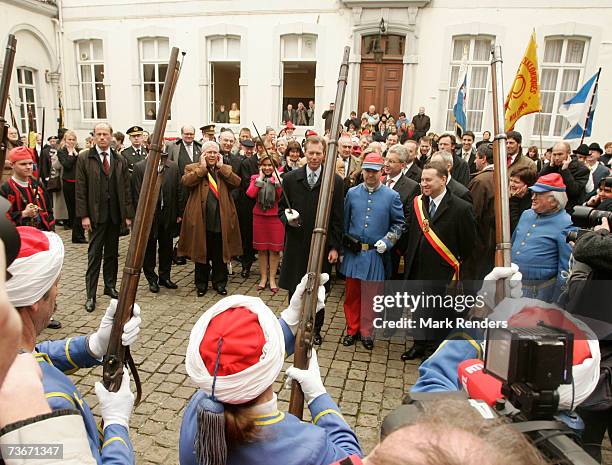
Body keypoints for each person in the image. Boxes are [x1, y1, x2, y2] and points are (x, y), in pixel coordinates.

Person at [179, 273, 362, 465]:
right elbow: (353, 456)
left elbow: (241, 358)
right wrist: (319, 398)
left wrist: (292, 319)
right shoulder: (309, 448)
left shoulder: (200, 409)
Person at [7, 225, 143, 465]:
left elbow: (35, 355)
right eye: (55, 284)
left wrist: (93, 345)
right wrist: (116, 425)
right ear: (36, 300)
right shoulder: (43, 405)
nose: (58, 292)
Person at [401, 160, 477, 360]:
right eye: (422, 180)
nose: (423, 184)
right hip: (417, 267)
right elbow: (409, 231)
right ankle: (418, 344)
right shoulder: (418, 202)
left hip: (443, 270)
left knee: (438, 312)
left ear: (443, 179)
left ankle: (432, 350)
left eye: (429, 180)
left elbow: (469, 245)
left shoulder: (461, 207)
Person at [279, 136, 343, 345]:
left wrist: (334, 247)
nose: (314, 157)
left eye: (318, 153)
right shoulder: (290, 179)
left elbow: (337, 217)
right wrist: (287, 219)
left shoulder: (334, 181)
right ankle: (294, 325)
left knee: (318, 289)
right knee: (295, 287)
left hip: (321, 245)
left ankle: (315, 329)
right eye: (311, 153)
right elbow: (281, 209)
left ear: (324, 154)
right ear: (304, 153)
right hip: (297, 243)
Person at [341, 153, 404, 350]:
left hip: (375, 254)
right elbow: (345, 222)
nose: (370, 174)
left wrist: (388, 241)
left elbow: (399, 224)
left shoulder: (392, 196)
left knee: (371, 296)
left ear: (382, 171)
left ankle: (367, 332)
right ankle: (352, 329)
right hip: (354, 252)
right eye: (367, 170)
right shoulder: (352, 193)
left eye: (374, 171)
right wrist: (343, 249)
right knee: (352, 295)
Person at [76, 122, 134, 313]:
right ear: (93, 136)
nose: (102, 137)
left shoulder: (119, 159)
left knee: (112, 254)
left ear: (111, 137)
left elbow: (126, 189)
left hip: (114, 216)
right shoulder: (85, 158)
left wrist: (127, 215)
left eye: (105, 134)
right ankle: (90, 294)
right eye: (98, 134)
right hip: (95, 216)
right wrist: (84, 215)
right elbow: (80, 189)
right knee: (94, 255)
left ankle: (110, 286)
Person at [178, 141, 242, 296]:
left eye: (215, 152)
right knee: (202, 252)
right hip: (201, 219)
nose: (212, 155)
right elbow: (186, 182)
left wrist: (222, 169)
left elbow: (237, 182)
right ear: (203, 154)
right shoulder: (193, 168)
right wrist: (202, 168)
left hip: (221, 219)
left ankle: (220, 283)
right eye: (208, 153)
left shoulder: (224, 169)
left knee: (220, 254)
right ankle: (201, 284)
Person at [512, 173, 574, 302]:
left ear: (553, 200)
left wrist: (557, 302)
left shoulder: (567, 223)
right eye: (533, 193)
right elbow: (512, 244)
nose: (533, 198)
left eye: (538, 194)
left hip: (539, 293)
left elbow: (566, 269)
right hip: (513, 286)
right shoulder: (527, 214)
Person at [131, 149, 183, 293]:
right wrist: (139, 217)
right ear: (149, 147)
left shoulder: (172, 167)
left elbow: (179, 190)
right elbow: (136, 194)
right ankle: (151, 278)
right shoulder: (140, 167)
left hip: (168, 214)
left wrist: (179, 213)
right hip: (148, 217)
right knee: (149, 248)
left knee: (166, 247)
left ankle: (164, 276)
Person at [246, 155, 284, 292]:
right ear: (260, 166)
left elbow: (281, 196)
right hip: (260, 217)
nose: (267, 168)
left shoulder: (280, 178)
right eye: (265, 165)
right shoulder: (255, 178)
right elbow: (250, 194)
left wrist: (277, 180)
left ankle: (273, 279)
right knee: (262, 250)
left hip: (275, 218)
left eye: (270, 165)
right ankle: (263, 278)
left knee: (274, 250)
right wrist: (260, 179)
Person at [0, 146, 55, 231]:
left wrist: (51, 229)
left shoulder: (38, 185)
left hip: (42, 233)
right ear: (12, 165)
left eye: (30, 163)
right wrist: (24, 213)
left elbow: (48, 209)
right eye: (23, 164)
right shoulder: (5, 189)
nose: (28, 167)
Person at [464, 143, 495, 280]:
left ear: (483, 159)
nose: (475, 161)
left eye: (476, 158)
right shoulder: (499, 176)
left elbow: (473, 214)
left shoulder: (480, 181)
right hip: (491, 240)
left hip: (479, 240)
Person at [539, 141, 589, 213]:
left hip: (568, 210)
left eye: (560, 154)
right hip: (548, 207)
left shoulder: (581, 169)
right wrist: (550, 167)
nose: (556, 158)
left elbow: (574, 191)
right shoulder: (550, 166)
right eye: (554, 154)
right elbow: (539, 182)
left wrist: (565, 170)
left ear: (568, 154)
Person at [58, 130, 86, 243]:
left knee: (79, 209)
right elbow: (67, 165)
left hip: (78, 182)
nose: (71, 141)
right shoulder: (62, 151)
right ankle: (77, 236)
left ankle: (80, 234)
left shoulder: (78, 151)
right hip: (69, 183)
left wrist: (74, 153)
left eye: (73, 139)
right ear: (65, 140)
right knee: (73, 210)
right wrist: (70, 153)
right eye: (69, 139)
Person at [509, 166, 537, 234]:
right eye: (511, 180)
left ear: (526, 185)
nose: (511, 184)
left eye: (516, 182)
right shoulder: (507, 196)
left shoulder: (532, 202)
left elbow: (516, 226)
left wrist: (514, 199)